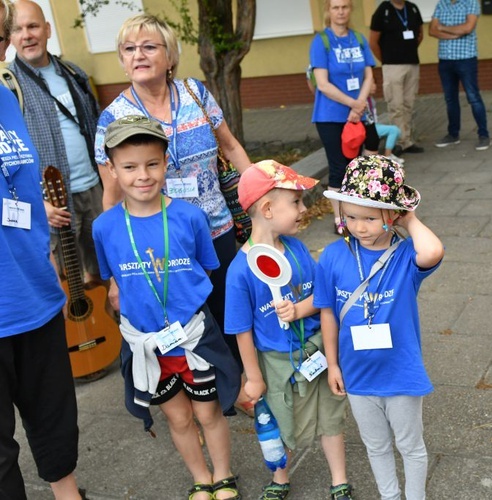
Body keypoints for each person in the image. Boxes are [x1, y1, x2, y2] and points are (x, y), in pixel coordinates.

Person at [94, 13, 254, 414]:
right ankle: (196, 402)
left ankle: (237, 388)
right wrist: (115, 275)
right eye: (129, 49)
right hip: (163, 243)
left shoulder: (196, 92)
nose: (139, 55)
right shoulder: (113, 118)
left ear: (170, 56)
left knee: (229, 312)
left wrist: (259, 199)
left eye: (149, 47)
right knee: (184, 324)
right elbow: (111, 198)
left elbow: (231, 148)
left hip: (216, 227)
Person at [92, 115, 242, 500]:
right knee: (177, 417)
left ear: (165, 161)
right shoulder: (105, 227)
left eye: (152, 164)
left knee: (208, 413)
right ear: (112, 169)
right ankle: (201, 478)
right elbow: (116, 281)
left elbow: (206, 266)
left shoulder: (190, 216)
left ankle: (223, 475)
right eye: (129, 167)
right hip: (148, 344)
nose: (142, 175)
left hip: (193, 336)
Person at [315, 155, 444, 500]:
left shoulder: (405, 255)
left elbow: (433, 250)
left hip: (400, 370)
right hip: (357, 373)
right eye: (351, 216)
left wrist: (410, 217)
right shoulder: (331, 256)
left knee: (410, 445)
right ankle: (389, 496)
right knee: (376, 445)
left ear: (392, 215)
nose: (360, 227)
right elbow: (327, 312)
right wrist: (332, 364)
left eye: (371, 217)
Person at [224, 160, 353, 500]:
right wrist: (252, 376)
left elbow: (321, 297)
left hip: (317, 348)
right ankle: (280, 478)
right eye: (295, 202)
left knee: (331, 414)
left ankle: (339, 480)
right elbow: (242, 330)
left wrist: (298, 309)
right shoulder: (240, 272)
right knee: (279, 421)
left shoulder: (295, 248)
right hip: (277, 359)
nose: (303, 208)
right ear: (267, 208)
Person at [0, 2, 85, 498]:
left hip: (33, 289)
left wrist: (47, 253)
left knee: (54, 414)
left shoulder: (9, 94)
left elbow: (26, 186)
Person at [8, 0, 103, 284]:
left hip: (95, 191)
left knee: (106, 271)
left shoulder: (74, 74)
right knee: (65, 282)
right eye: (18, 29)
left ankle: (112, 326)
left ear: (47, 29)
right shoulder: (8, 86)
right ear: (10, 37)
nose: (27, 35)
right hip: (53, 203)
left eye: (33, 26)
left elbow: (98, 132)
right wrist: (38, 203)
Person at [310, 0, 375, 234]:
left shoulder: (358, 39)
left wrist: (359, 106)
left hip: (357, 114)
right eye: (335, 7)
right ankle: (340, 219)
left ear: (350, 10)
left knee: (358, 165)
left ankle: (359, 213)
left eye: (345, 7)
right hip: (330, 117)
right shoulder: (321, 41)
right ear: (328, 10)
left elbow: (368, 75)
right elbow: (323, 84)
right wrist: (353, 103)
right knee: (339, 166)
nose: (340, 11)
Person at [428, 0, 490, 151]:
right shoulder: (442, 4)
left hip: (466, 59)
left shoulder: (471, 3)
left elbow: (468, 28)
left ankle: (484, 135)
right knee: (450, 99)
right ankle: (453, 134)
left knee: (473, 97)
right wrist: (454, 33)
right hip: (445, 60)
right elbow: (432, 30)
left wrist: (443, 28)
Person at [369, 0, 425, 155]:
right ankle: (397, 143)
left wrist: (407, 51)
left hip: (412, 64)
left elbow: (420, 35)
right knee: (396, 105)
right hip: (392, 66)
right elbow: (373, 42)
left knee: (408, 104)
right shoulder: (383, 10)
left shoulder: (412, 8)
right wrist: (386, 60)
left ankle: (407, 141)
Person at [362, 84, 405, 164]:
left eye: (375, 84)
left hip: (374, 124)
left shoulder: (371, 99)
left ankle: (389, 154)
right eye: (371, 84)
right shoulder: (363, 100)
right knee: (394, 130)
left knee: (396, 130)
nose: (374, 86)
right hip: (369, 127)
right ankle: (387, 156)